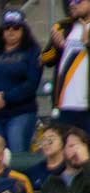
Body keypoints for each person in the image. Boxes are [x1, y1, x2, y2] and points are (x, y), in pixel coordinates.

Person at [0, 10, 42, 153]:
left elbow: (31, 83)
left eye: (16, 27)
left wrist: (6, 97)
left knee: (17, 152)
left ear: (24, 30)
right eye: (7, 27)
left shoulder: (32, 52)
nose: (11, 31)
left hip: (20, 113)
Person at [43, 0, 90, 133]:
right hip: (65, 105)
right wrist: (56, 46)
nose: (71, 4)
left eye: (78, 1)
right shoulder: (66, 27)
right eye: (69, 1)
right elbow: (45, 59)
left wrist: (87, 43)